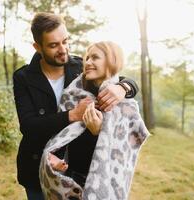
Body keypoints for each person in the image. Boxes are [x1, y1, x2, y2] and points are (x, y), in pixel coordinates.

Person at [13, 12, 138, 200]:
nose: (63, 49)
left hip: (76, 167)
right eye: (54, 45)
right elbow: (29, 126)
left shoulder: (81, 66)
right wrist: (72, 114)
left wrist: (124, 87)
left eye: (65, 41)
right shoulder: (23, 77)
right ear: (37, 47)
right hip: (36, 164)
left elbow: (117, 77)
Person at [40, 41, 149, 200]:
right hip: (71, 177)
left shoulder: (124, 105)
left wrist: (98, 132)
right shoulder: (74, 94)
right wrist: (56, 158)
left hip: (104, 180)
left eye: (95, 58)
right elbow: (62, 135)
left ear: (111, 61)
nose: (88, 62)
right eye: (87, 57)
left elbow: (123, 152)